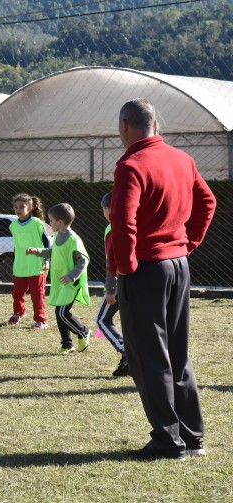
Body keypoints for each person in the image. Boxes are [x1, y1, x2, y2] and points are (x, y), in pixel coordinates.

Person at [111, 98, 216, 461]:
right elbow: (208, 202)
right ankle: (193, 436)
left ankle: (168, 440)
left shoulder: (131, 164)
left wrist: (124, 266)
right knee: (178, 352)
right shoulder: (182, 159)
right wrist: (188, 244)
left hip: (145, 269)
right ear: (155, 123)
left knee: (148, 354)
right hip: (178, 264)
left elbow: (123, 222)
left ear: (125, 126)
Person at [26, 203, 90, 354]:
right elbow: (52, 252)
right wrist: (38, 251)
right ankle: (67, 344)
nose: (50, 224)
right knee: (59, 313)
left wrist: (72, 276)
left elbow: (83, 260)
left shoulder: (73, 239)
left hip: (70, 283)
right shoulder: (58, 236)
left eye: (51, 221)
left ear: (60, 222)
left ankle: (83, 332)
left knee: (62, 312)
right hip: (60, 282)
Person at [96, 192, 128, 378]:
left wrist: (111, 289)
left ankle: (127, 352)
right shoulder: (133, 225)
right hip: (138, 283)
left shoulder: (112, 229)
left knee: (102, 319)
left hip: (119, 284)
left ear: (108, 209)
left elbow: (113, 263)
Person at [8, 193, 51, 329]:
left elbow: (47, 242)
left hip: (36, 266)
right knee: (17, 293)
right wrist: (15, 261)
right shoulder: (13, 226)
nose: (18, 209)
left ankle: (41, 320)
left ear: (31, 207)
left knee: (37, 295)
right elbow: (17, 246)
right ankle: (19, 313)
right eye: (15, 207)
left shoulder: (37, 223)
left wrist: (47, 259)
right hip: (20, 266)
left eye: (22, 206)